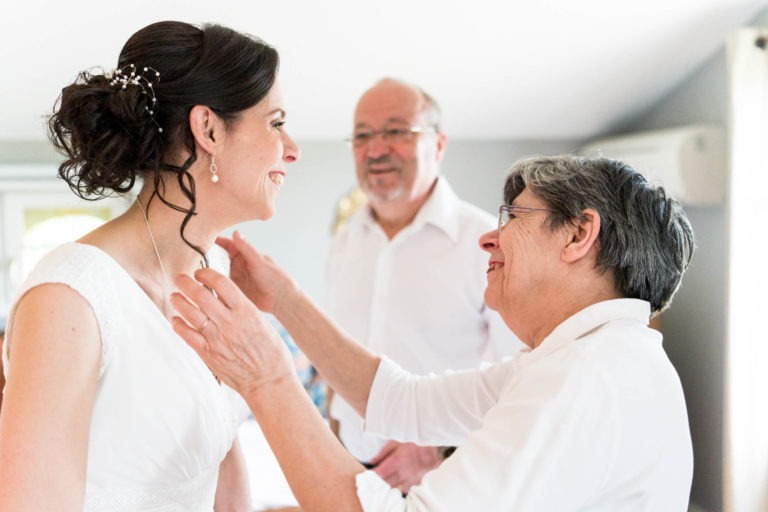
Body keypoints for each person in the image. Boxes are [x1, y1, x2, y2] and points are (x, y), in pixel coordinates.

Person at [171, 154, 696, 511]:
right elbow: (399, 400)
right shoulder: (589, 359)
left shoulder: (583, 377)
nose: (489, 239)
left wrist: (266, 377)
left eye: (512, 216)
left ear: (579, 234)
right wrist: (283, 301)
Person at [0, 20, 299, 511]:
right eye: (276, 122)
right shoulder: (70, 298)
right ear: (208, 130)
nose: (292, 148)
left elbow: (220, 454)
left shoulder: (217, 269)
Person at [324, 77, 522, 490]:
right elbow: (336, 351)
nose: (376, 150)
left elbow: (523, 377)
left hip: (444, 479)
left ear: (439, 144)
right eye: (362, 136)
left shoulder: (488, 243)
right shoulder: (345, 241)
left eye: (396, 132)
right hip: (347, 471)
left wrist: (440, 451)